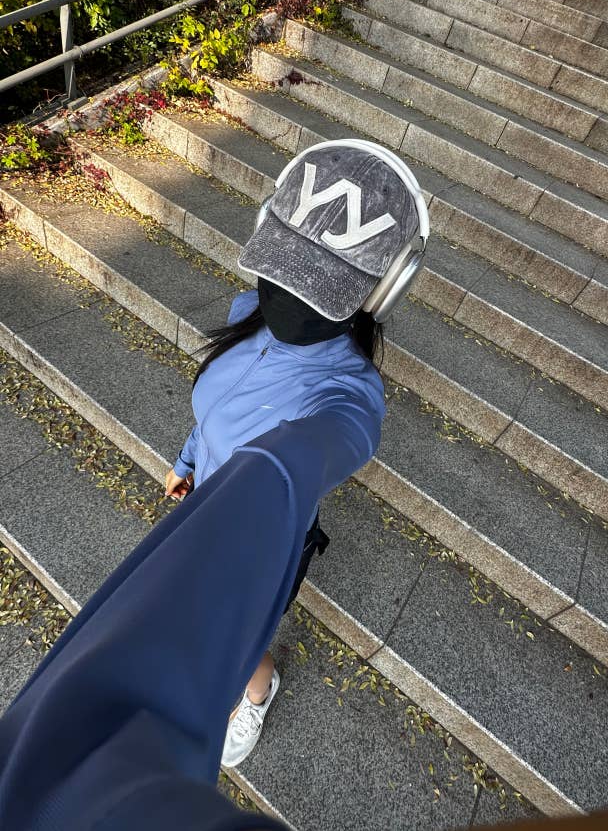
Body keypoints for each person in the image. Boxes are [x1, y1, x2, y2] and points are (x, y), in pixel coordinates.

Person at [163, 138, 429, 768]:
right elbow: (216, 412)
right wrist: (188, 461)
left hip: (260, 542)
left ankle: (256, 690)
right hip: (204, 508)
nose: (286, 300)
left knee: (235, 638)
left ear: (379, 292)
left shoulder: (348, 394)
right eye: (282, 272)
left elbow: (342, 436)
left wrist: (289, 458)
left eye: (319, 290)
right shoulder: (249, 311)